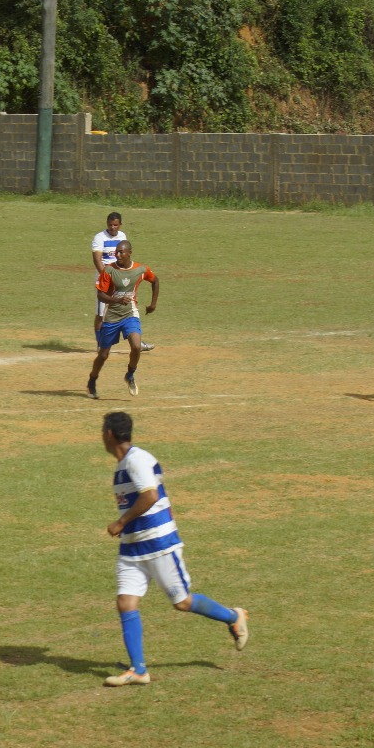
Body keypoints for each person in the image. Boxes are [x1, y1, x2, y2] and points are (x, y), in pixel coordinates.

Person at [100, 411, 248, 687]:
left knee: (182, 602)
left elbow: (150, 495)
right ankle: (139, 670)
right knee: (125, 602)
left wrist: (121, 521)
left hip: (158, 541)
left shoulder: (137, 460)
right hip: (132, 548)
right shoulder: (124, 464)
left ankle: (233, 616)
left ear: (109, 435)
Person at [87, 241, 157, 399]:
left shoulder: (140, 269)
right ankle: (92, 380)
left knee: (136, 346)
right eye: (116, 252)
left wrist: (153, 304)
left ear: (129, 253)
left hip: (130, 314)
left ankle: (130, 374)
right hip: (111, 316)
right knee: (103, 355)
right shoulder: (109, 270)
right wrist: (118, 300)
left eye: (121, 252)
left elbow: (155, 281)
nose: (117, 255)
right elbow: (100, 295)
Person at [91, 213, 153, 351]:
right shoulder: (99, 237)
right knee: (101, 313)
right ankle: (101, 343)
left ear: (120, 225)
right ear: (106, 223)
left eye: (115, 225)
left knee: (128, 309)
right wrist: (107, 278)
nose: (113, 228)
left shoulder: (122, 236)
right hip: (105, 279)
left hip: (121, 279)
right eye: (110, 225)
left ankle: (137, 342)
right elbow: (97, 260)